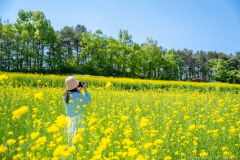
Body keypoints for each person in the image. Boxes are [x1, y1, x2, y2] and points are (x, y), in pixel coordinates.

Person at [63, 76, 91, 145]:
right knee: (78, 140)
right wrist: (85, 89)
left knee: (70, 139)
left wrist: (78, 91)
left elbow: (74, 97)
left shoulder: (65, 95)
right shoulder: (78, 95)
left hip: (68, 120)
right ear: (75, 86)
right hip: (78, 119)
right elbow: (87, 101)